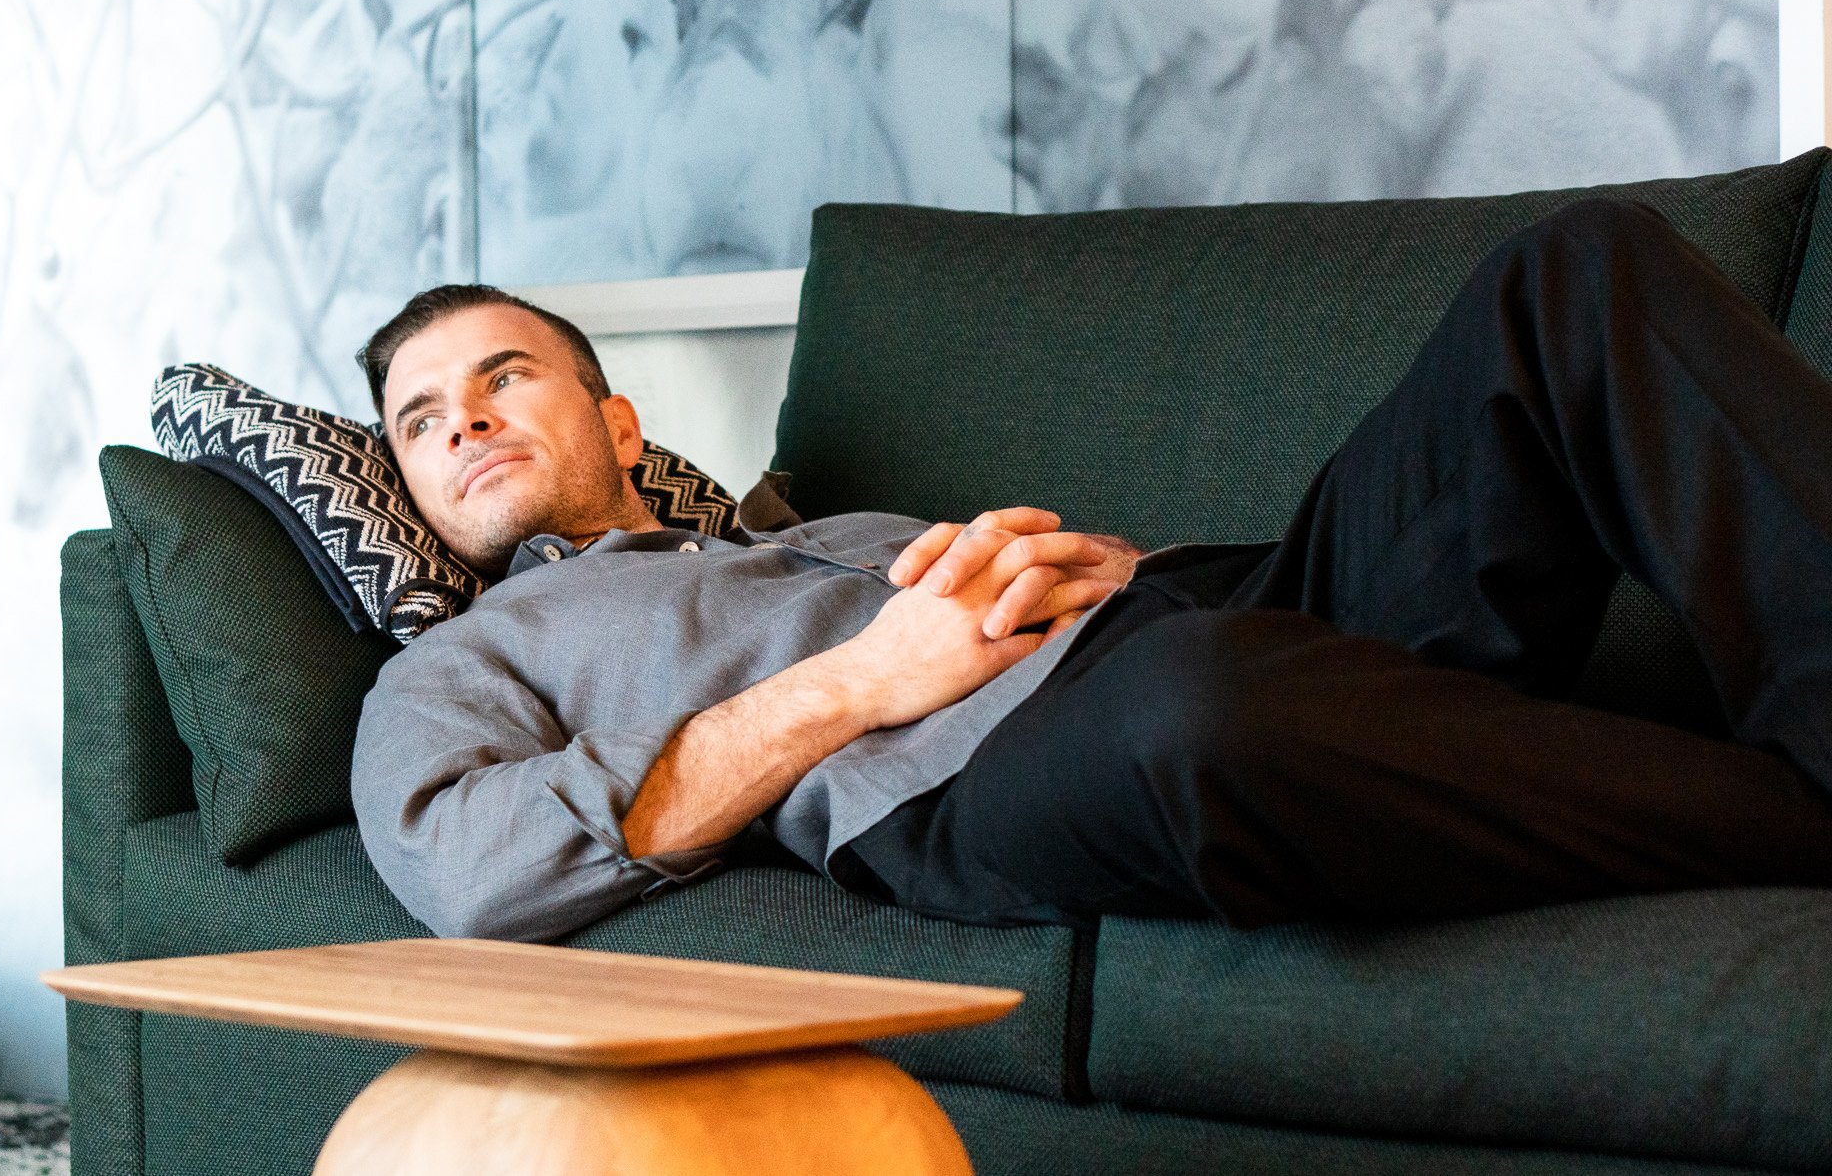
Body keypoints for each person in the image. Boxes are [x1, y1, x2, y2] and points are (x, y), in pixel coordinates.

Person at [348, 200, 1832, 943]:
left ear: (613, 417)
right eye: (424, 419)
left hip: (1229, 611)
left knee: (1578, 272)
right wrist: (870, 676)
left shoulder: (796, 529)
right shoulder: (450, 669)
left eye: (504, 375)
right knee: (1193, 705)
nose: (465, 416)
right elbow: (478, 870)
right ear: (409, 481)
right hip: (988, 770)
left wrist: (1110, 562)